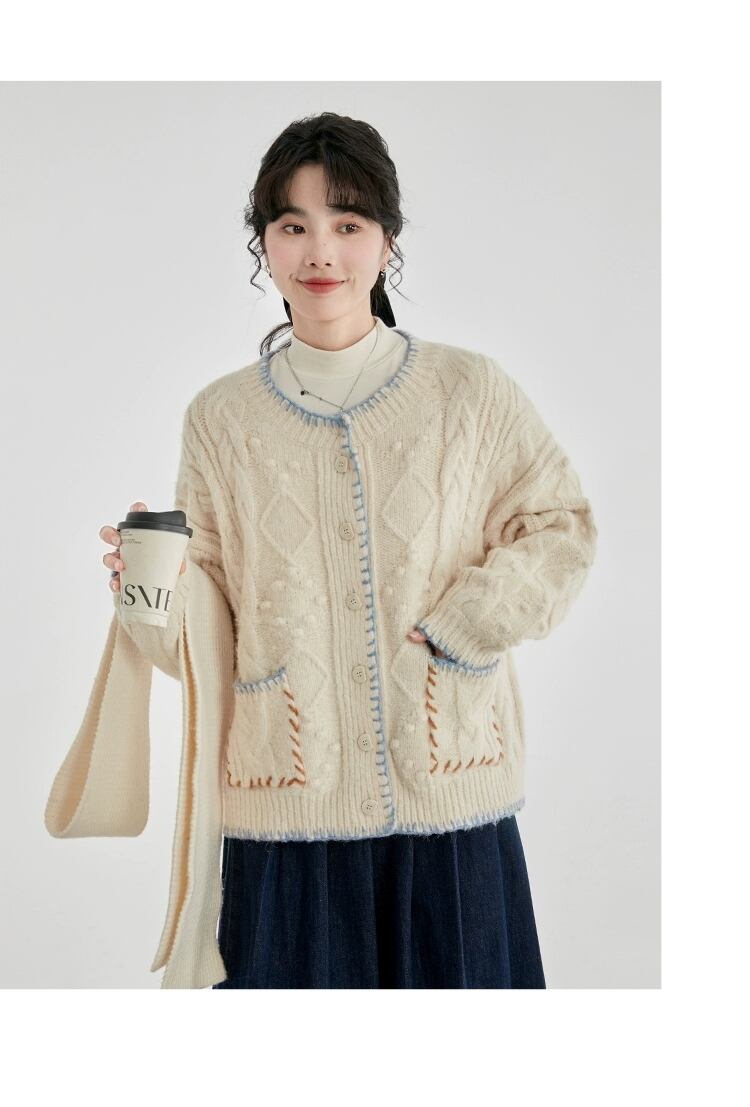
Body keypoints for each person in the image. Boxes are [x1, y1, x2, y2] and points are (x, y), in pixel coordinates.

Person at [98, 112, 596, 988]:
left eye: (348, 222)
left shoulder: (469, 391)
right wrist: (148, 593)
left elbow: (562, 526)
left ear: (387, 242)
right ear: (264, 244)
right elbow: (204, 639)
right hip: (288, 812)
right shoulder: (221, 420)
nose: (320, 251)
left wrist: (465, 625)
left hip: (451, 803)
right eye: (293, 225)